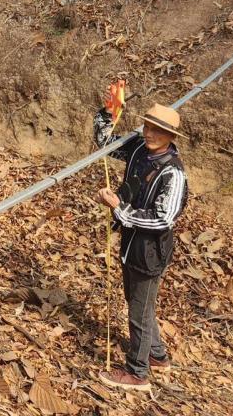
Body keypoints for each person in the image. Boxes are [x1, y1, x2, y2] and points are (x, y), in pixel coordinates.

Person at [93, 91, 189, 393]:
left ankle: (137, 372)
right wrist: (109, 111)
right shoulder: (137, 148)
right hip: (130, 243)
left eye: (157, 131)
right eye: (147, 127)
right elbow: (105, 143)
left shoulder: (173, 173)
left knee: (138, 310)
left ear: (170, 136)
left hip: (150, 251)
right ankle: (157, 355)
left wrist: (118, 208)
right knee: (140, 303)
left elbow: (163, 219)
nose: (149, 134)